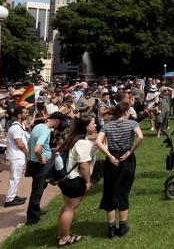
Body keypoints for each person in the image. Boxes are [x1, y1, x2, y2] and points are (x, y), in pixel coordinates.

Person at [95, 102, 143, 239]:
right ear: (126, 111)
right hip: (126, 160)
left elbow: (98, 142)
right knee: (123, 191)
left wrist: (109, 156)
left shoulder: (107, 125)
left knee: (109, 192)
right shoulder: (132, 124)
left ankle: (111, 229)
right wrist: (130, 151)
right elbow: (140, 137)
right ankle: (123, 225)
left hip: (112, 160)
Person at [56, 116, 97, 247]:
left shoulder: (73, 139)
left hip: (65, 179)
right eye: (93, 123)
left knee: (67, 207)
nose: (95, 126)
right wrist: (88, 182)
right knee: (69, 209)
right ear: (86, 127)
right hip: (74, 180)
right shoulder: (83, 143)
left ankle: (61, 233)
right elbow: (84, 165)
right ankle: (64, 238)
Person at [26, 111, 68, 225]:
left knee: (40, 186)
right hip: (40, 164)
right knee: (37, 191)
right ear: (57, 121)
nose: (58, 127)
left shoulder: (38, 126)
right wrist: (41, 160)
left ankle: (36, 209)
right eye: (59, 124)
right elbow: (37, 148)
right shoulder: (45, 130)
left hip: (33, 162)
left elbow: (30, 144)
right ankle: (33, 219)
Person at [4, 106, 29, 208]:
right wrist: (28, 153)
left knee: (16, 177)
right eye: (25, 112)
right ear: (19, 115)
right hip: (16, 156)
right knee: (15, 178)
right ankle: (9, 199)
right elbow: (19, 143)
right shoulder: (15, 127)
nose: (27, 114)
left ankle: (12, 196)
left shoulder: (19, 125)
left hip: (17, 156)